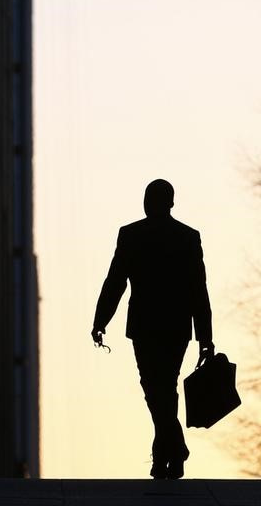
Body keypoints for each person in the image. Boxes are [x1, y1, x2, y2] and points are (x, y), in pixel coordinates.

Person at [91, 179, 214, 479]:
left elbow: (115, 283)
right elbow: (199, 291)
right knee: (163, 388)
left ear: (150, 202)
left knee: (154, 388)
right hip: (175, 327)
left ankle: (169, 454)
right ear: (170, 203)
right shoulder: (187, 237)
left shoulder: (132, 235)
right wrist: (205, 338)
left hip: (146, 328)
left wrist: (100, 321)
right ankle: (171, 453)